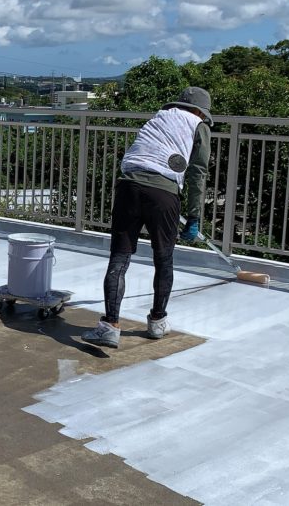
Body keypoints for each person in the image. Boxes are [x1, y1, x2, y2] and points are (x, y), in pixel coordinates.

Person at [82, 87, 212, 349]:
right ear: (200, 111)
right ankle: (157, 322)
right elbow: (197, 172)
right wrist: (194, 216)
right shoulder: (198, 125)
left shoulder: (160, 117)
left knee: (119, 258)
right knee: (163, 259)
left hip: (128, 186)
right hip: (163, 194)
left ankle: (110, 327)